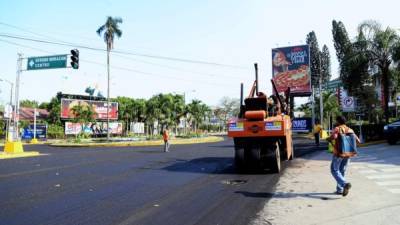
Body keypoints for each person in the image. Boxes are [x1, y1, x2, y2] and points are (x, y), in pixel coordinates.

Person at [326, 116, 360, 197]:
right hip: (348, 153)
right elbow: (358, 141)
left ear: (338, 121)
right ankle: (340, 189)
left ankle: (345, 184)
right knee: (341, 171)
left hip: (339, 153)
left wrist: (328, 138)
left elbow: (334, 137)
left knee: (334, 170)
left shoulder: (337, 128)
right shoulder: (350, 129)